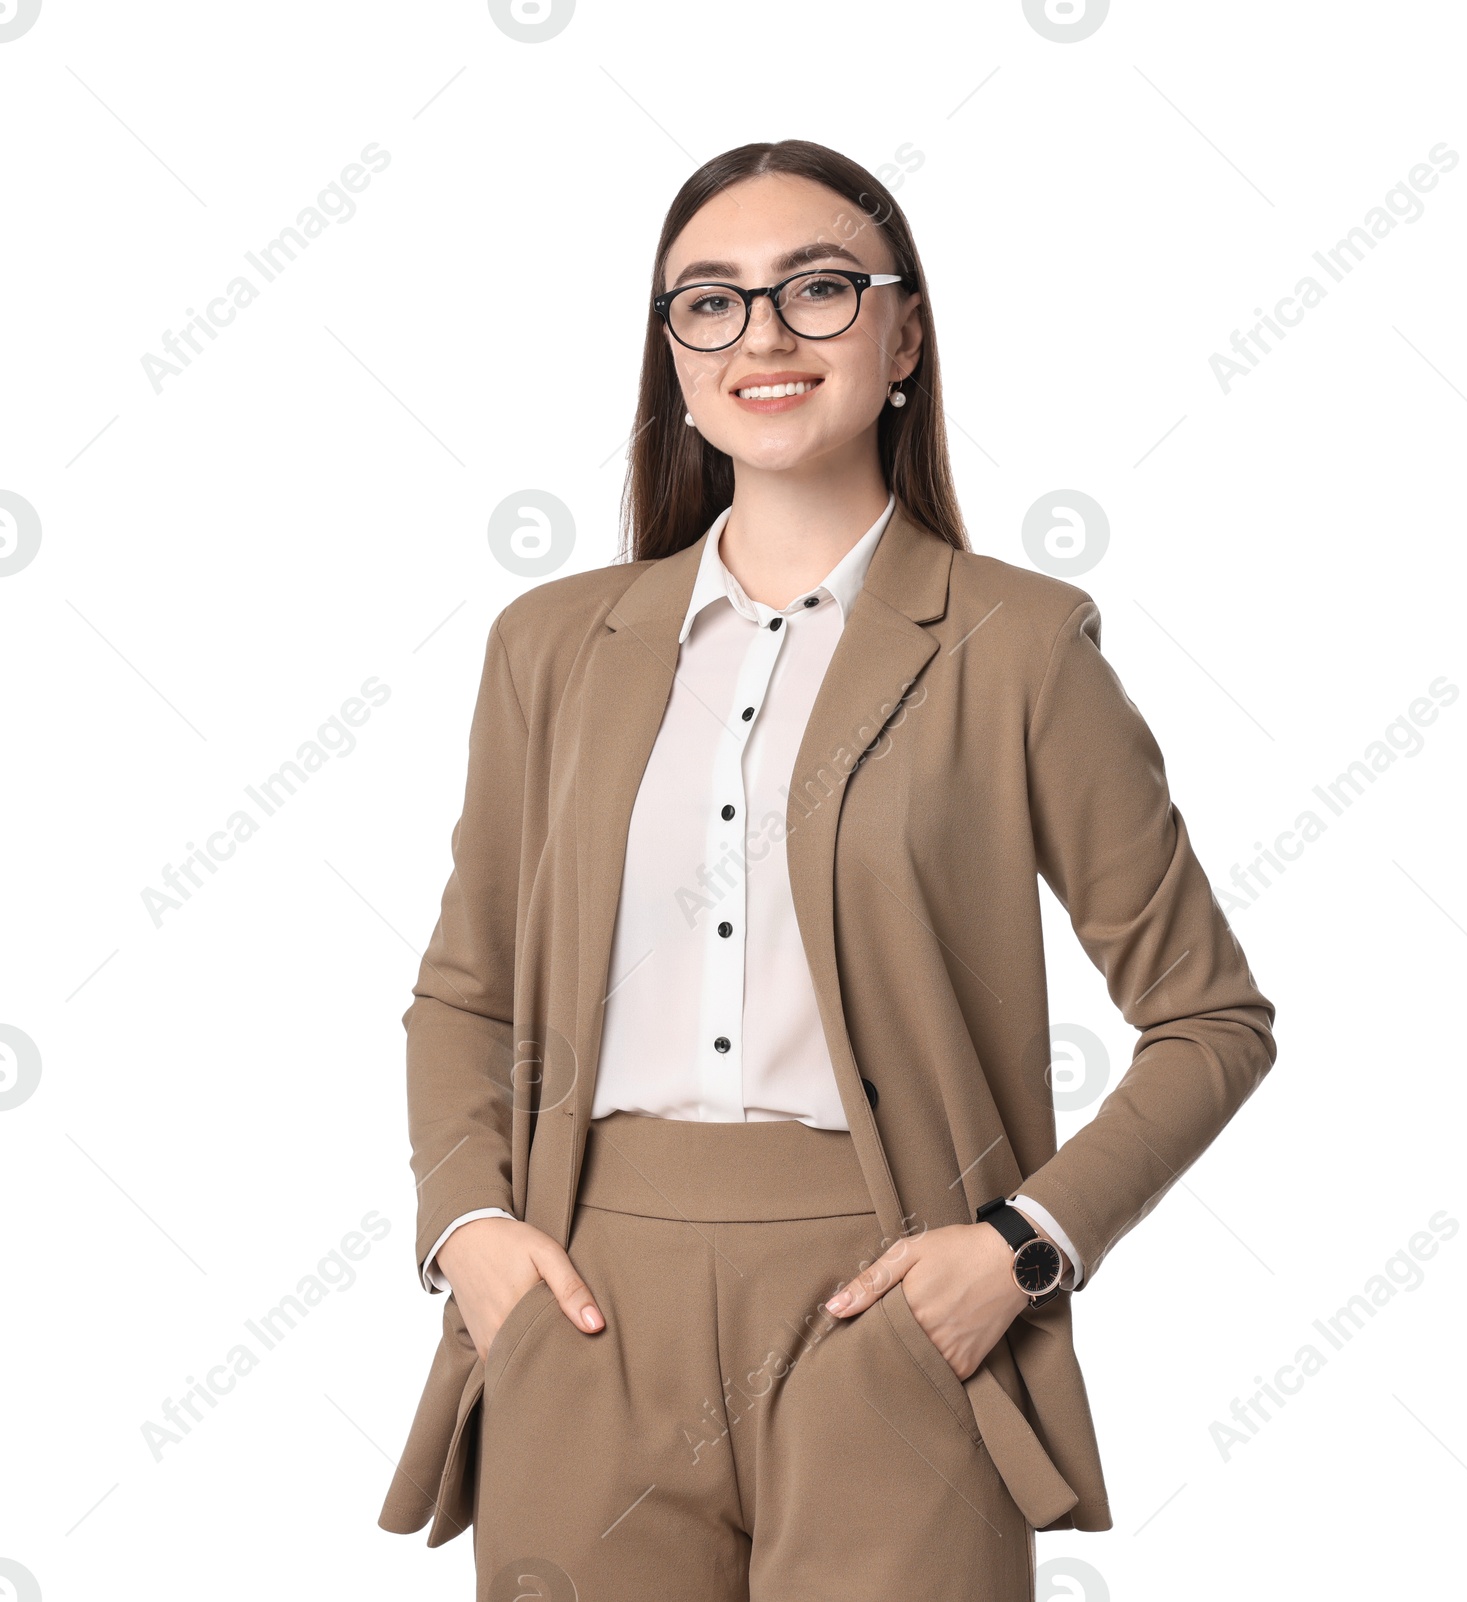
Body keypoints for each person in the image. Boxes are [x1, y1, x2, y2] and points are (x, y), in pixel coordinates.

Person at [377, 139, 1277, 1602]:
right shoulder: (549, 648)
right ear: (672, 354)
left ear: (903, 332)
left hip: (895, 1310)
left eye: (818, 289)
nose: (766, 337)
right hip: (586, 1308)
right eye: (711, 303)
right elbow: (463, 993)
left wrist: (1021, 1250)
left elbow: (1211, 1019)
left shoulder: (1019, 646)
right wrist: (470, 1234)